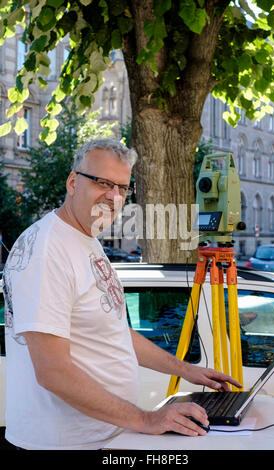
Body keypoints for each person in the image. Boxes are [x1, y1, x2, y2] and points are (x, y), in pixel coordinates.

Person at [3, 138, 241, 450]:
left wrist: (187, 370)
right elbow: (52, 371)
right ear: (73, 182)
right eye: (103, 182)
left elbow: (114, 331)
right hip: (63, 444)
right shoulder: (47, 249)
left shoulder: (85, 237)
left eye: (122, 187)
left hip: (105, 437)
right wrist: (147, 419)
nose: (114, 196)